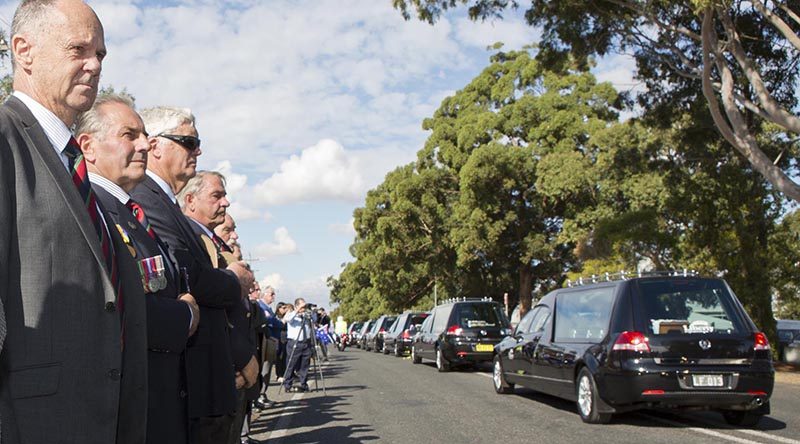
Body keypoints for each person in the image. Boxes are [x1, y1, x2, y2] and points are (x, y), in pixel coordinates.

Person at [0, 1, 148, 443]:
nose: (93, 65)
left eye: (100, 54)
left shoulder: (75, 166)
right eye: (78, 49)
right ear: (23, 50)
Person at [75, 93, 202, 444]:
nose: (145, 145)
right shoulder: (91, 209)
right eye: (129, 135)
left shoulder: (128, 211)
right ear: (88, 147)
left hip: (157, 400)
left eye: (144, 135)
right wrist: (186, 315)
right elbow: (118, 303)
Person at [129, 108, 253, 444]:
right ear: (155, 146)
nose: (197, 151)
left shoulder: (163, 202)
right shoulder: (144, 198)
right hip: (189, 386)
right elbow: (189, 278)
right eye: (188, 142)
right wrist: (234, 281)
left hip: (204, 384)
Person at [177, 172, 258, 444]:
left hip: (223, 373)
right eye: (217, 195)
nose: (226, 202)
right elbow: (215, 307)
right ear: (190, 200)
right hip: (208, 377)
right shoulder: (190, 238)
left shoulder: (210, 242)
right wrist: (244, 359)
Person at [255, 286, 282, 409]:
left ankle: (263, 394)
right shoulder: (261, 306)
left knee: (268, 369)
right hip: (265, 342)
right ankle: (260, 395)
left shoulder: (268, 308)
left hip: (271, 342)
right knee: (264, 370)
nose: (273, 297)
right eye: (271, 294)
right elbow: (270, 321)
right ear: (265, 294)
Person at [282, 298, 315, 392]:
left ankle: (304, 384)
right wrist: (297, 311)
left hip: (306, 343)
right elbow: (287, 319)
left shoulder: (306, 315)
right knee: (291, 364)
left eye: (304, 307)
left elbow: (314, 321)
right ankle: (288, 385)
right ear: (296, 306)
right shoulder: (291, 314)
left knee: (305, 365)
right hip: (294, 343)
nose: (303, 309)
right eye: (302, 307)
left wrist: (311, 312)